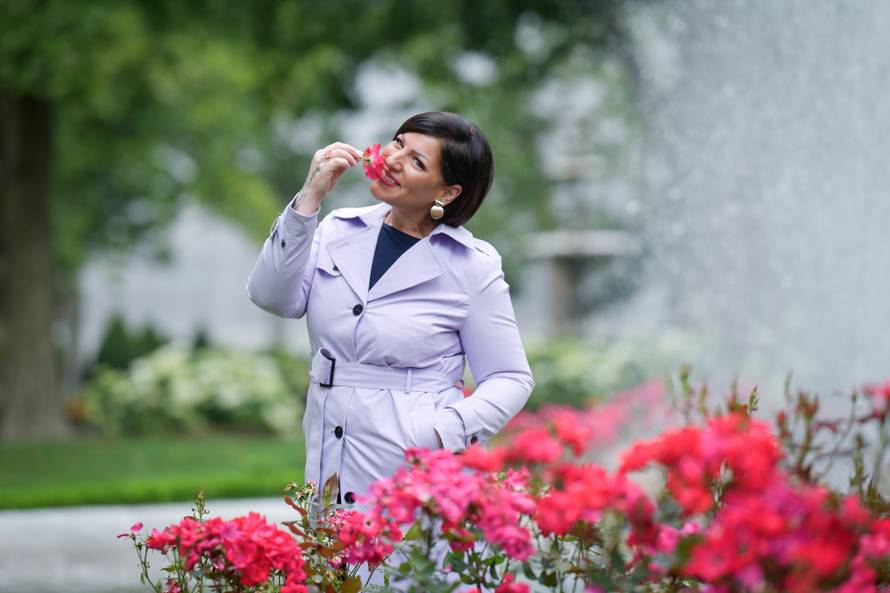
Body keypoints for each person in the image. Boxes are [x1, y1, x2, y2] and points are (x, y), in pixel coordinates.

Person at [246, 111, 534, 509]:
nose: (394, 160)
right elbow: (271, 295)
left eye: (417, 161)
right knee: (335, 562)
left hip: (418, 466)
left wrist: (439, 434)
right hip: (330, 442)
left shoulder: (472, 265)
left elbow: (510, 377)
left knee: (401, 567)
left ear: (447, 193)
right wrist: (308, 199)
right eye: (398, 143)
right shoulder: (335, 229)